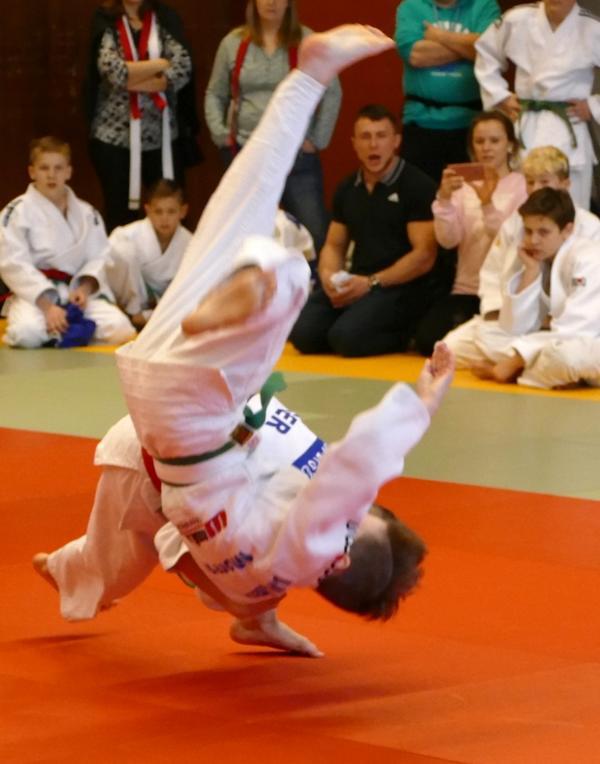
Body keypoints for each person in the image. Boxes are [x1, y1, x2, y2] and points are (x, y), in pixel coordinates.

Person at [110, 26, 455, 642]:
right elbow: (219, 589)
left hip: (191, 408)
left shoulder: (313, 544)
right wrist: (262, 626)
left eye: (353, 519)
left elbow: (357, 464)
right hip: (166, 399)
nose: (350, 508)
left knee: (292, 271)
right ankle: (308, 77)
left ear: (337, 558)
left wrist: (424, 405)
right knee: (242, 202)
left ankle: (248, 292)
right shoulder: (263, 579)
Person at [32, 387, 431, 656]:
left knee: (257, 575)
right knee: (118, 569)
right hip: (147, 455)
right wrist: (237, 602)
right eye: (363, 509)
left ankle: (255, 621)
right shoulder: (272, 535)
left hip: (190, 437)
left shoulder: (299, 517)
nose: (355, 507)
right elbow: (171, 539)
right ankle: (64, 569)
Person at [289, 104, 440, 357]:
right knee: (302, 334)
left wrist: (372, 283)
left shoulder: (417, 186)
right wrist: (329, 277)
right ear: (354, 144)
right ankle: (354, 321)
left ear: (396, 141)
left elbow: (424, 256)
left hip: (401, 286)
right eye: (365, 137)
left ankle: (406, 333)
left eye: (381, 136)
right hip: (359, 280)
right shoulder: (347, 188)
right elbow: (334, 245)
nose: (373, 144)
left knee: (346, 339)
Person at [443, 146, 600, 369]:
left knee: (568, 352)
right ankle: (526, 362)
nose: (535, 189)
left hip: (569, 328)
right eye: (530, 182)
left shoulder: (591, 228)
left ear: (565, 184)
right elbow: (493, 273)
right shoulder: (516, 224)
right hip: (523, 325)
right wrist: (500, 311)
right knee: (452, 347)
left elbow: (584, 316)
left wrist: (550, 322)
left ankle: (518, 362)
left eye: (544, 182)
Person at [204, 0, 342, 253]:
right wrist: (221, 134)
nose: (271, 2)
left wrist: (317, 139)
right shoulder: (232, 43)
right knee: (243, 234)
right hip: (246, 153)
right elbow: (214, 93)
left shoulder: (308, 41)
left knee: (313, 231)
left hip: (296, 155)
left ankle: (313, 279)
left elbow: (332, 91)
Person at [0, 137, 134, 349]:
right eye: (44, 168)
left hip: (75, 294)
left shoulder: (87, 213)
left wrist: (84, 289)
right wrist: (47, 306)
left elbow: (99, 257)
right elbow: (12, 263)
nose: (51, 175)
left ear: (68, 172)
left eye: (58, 168)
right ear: (32, 172)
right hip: (35, 297)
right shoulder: (16, 212)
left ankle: (62, 331)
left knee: (121, 329)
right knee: (26, 334)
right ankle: (70, 330)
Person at [414, 110, 527, 355]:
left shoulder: (522, 185)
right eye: (480, 141)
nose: (486, 148)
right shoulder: (462, 187)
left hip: (504, 292)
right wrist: (444, 200)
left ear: (510, 145)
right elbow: (448, 241)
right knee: (427, 341)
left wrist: (487, 204)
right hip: (467, 289)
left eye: (494, 141)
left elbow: (510, 241)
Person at [474, 0, 600, 210]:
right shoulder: (517, 19)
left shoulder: (593, 27)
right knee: (520, 203)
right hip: (526, 123)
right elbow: (486, 53)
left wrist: (593, 106)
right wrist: (500, 96)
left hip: (568, 126)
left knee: (572, 207)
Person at [469, 187, 600, 388]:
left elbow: (575, 330)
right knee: (487, 336)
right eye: (528, 231)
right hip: (555, 340)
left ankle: (513, 369)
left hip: (586, 340)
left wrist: (515, 360)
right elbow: (515, 327)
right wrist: (531, 270)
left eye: (543, 232)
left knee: (566, 356)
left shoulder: (589, 259)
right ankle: (543, 371)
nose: (533, 240)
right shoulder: (541, 258)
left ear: (567, 230)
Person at [86, 0, 194, 232]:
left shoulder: (164, 19)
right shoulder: (106, 20)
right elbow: (113, 72)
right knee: (120, 215)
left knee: (167, 210)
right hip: (114, 139)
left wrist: (132, 78)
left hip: (161, 137)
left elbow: (182, 67)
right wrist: (160, 64)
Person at [394, 0, 501, 183]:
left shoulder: (484, 5)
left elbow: (491, 49)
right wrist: (471, 46)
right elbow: (416, 55)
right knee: (422, 196)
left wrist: (438, 36)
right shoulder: (411, 7)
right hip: (421, 123)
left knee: (471, 195)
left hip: (472, 128)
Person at [107, 178, 192, 330]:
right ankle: (134, 314)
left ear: (183, 211)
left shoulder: (189, 242)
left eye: (171, 211)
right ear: (148, 210)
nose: (164, 218)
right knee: (122, 251)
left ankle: (150, 317)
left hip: (167, 305)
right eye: (158, 212)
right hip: (129, 302)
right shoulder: (126, 236)